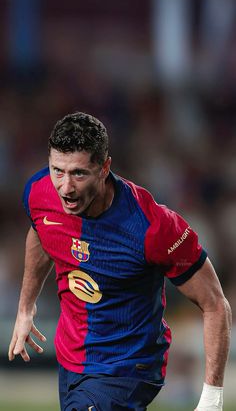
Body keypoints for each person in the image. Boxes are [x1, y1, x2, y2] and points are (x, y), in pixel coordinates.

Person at [8, 112, 232, 411]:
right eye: (57, 171)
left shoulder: (153, 227)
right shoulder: (39, 192)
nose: (65, 187)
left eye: (79, 174)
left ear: (104, 168)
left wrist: (212, 400)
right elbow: (40, 234)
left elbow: (216, 304)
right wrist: (25, 308)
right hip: (73, 360)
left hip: (128, 366)